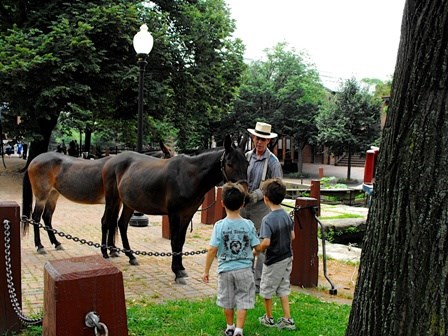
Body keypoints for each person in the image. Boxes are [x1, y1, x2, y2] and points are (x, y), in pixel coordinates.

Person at [202, 182, 261, 336]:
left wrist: (206, 270)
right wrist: (254, 253)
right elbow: (257, 246)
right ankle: (239, 330)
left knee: (227, 300)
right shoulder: (248, 225)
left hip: (225, 269)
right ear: (242, 204)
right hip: (244, 270)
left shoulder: (219, 226)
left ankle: (230, 327)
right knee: (243, 299)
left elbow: (212, 249)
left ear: (222, 204)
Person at [240, 121, 283, 291]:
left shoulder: (273, 162)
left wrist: (256, 195)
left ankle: (258, 284)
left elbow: (277, 185)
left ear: (268, 142)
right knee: (244, 243)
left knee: (261, 247)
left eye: (263, 140)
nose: (259, 142)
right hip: (244, 207)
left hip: (261, 209)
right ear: (253, 138)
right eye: (257, 138)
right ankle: (246, 279)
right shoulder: (246, 156)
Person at [257, 178, 296, 330]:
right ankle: (287, 319)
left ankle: (269, 318)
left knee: (267, 289)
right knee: (283, 287)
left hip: (273, 260)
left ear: (265, 199)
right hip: (287, 256)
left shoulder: (267, 220)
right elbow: (292, 236)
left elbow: (266, 242)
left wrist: (257, 249)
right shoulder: (286, 215)